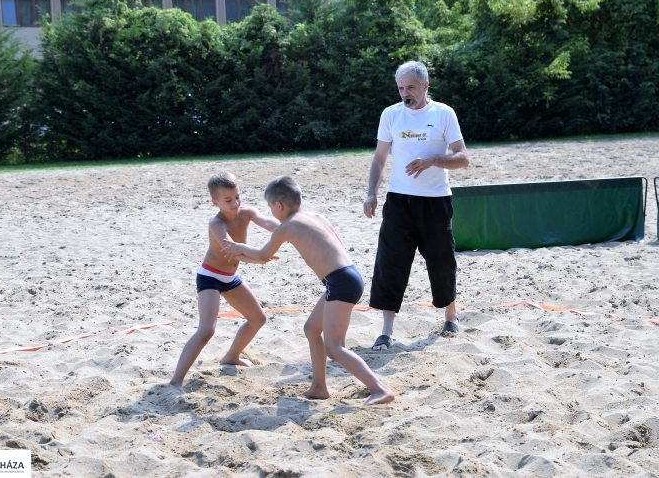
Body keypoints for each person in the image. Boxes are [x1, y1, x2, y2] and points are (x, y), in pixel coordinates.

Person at [222, 176, 395, 405]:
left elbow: (263, 255)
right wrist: (241, 254)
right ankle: (319, 387)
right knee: (312, 329)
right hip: (347, 276)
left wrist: (238, 249)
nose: (271, 212)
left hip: (340, 282)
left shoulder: (287, 226)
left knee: (334, 348)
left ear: (279, 206)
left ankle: (379, 389)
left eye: (270, 207)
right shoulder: (316, 217)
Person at [363, 61, 470, 351]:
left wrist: (433, 160)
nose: (405, 93)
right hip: (398, 201)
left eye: (410, 87)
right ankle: (386, 331)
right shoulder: (391, 115)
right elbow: (380, 158)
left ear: (425, 86)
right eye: (400, 88)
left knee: (441, 261)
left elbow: (462, 158)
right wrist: (371, 193)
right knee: (390, 262)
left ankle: (450, 315)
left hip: (436, 201)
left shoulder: (443, 113)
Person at [169, 171, 279, 394]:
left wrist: (290, 226)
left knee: (258, 318)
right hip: (209, 276)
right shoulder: (216, 223)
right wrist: (259, 257)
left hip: (230, 278)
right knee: (207, 329)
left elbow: (268, 222)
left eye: (238, 197)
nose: (235, 203)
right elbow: (232, 250)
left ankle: (232, 356)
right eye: (228, 200)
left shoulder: (246, 212)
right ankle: (176, 381)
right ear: (215, 202)